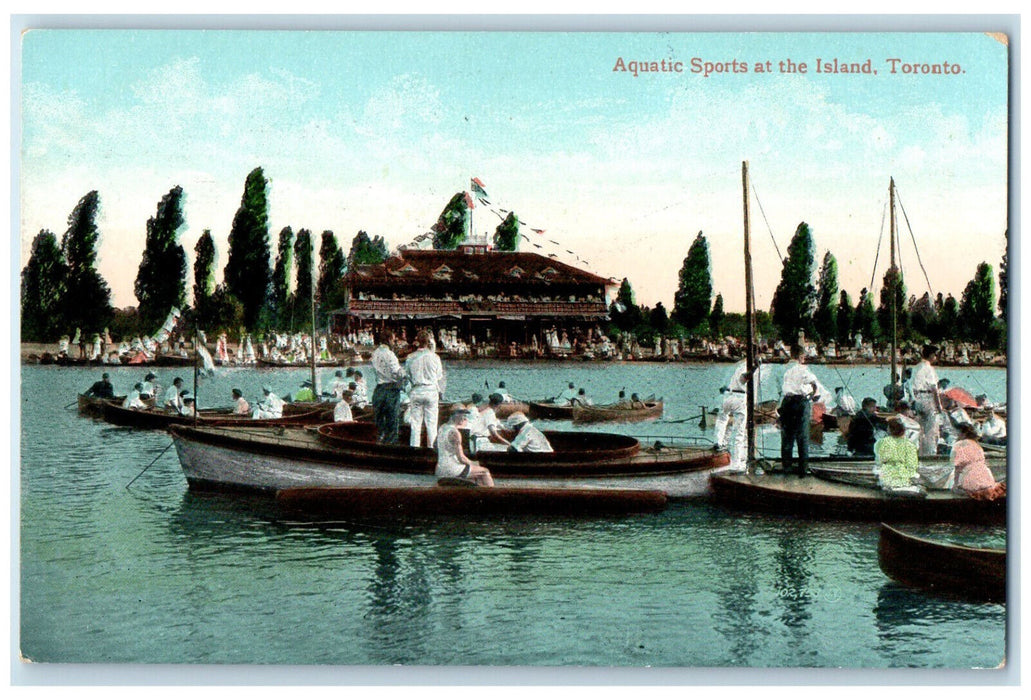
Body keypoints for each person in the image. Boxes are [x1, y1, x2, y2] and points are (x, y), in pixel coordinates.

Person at [714, 360, 770, 473]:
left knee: (722, 419)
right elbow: (743, 378)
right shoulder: (748, 367)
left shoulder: (739, 365)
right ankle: (736, 464)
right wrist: (755, 368)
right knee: (739, 433)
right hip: (739, 397)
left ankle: (718, 442)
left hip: (728, 395)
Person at [779, 345, 819, 476]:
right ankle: (803, 469)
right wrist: (811, 395)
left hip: (787, 402)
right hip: (800, 402)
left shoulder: (785, 369)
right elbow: (814, 384)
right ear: (801, 357)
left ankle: (786, 468)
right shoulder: (803, 369)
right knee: (802, 436)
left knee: (787, 437)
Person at [405, 329, 446, 448]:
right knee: (431, 424)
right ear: (428, 342)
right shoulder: (435, 357)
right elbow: (439, 376)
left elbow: (408, 375)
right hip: (431, 390)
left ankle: (414, 448)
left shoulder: (410, 357)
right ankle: (431, 448)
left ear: (417, 341)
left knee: (415, 424)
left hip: (416, 390)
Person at [435, 406, 494, 486]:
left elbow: (435, 445)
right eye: (463, 415)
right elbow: (462, 458)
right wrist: (474, 463)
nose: (465, 418)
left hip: (440, 468)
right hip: (452, 469)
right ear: (456, 415)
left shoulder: (442, 428)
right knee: (485, 471)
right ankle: (491, 495)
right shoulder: (455, 432)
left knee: (475, 471)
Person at [951, 423, 1006, 500]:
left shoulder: (959, 445)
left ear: (963, 434)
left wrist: (955, 485)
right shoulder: (976, 444)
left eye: (956, 433)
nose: (955, 435)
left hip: (972, 477)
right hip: (986, 476)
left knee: (957, 483)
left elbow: (957, 467)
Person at [370, 330, 406, 444]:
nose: (394, 342)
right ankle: (391, 444)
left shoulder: (375, 353)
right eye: (393, 340)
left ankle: (380, 440)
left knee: (380, 419)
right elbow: (397, 372)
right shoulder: (390, 354)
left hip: (379, 389)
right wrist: (405, 375)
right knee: (392, 419)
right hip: (391, 389)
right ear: (389, 339)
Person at [912, 345, 944, 457]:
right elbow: (934, 389)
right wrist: (939, 406)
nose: (936, 357)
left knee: (920, 429)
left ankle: (920, 452)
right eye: (935, 354)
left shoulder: (916, 367)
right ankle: (930, 453)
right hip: (928, 399)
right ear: (931, 355)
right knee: (931, 429)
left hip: (918, 399)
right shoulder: (929, 368)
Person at [874, 417, 920, 490]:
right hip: (904, 479)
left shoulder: (880, 443)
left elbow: (879, 462)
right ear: (903, 430)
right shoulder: (910, 445)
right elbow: (912, 466)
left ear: (889, 429)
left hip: (886, 478)